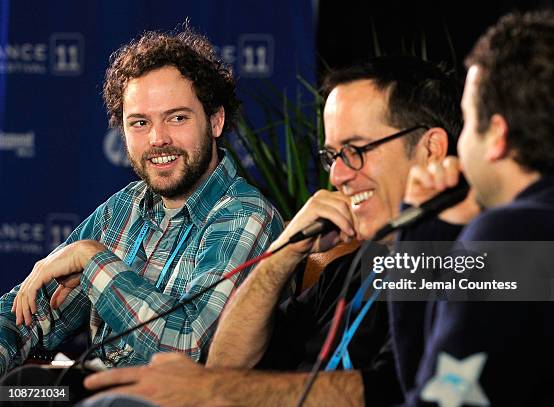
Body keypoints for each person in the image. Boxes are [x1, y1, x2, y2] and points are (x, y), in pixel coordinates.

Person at [82, 55, 464, 406]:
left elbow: (399, 389)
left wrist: (210, 389)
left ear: (431, 149)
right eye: (333, 156)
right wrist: (282, 252)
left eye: (356, 150)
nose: (338, 174)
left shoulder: (480, 260)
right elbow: (228, 362)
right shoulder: (350, 272)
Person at [0, 28, 284, 375]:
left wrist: (92, 260)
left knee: (29, 388)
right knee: (23, 390)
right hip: (90, 390)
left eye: (177, 118)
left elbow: (188, 351)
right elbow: (28, 316)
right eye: (140, 123)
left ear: (215, 120)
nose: (157, 138)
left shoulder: (245, 215)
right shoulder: (125, 208)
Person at [389, 11, 554, 406]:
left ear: (497, 135)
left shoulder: (511, 240)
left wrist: (419, 237)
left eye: (469, 119)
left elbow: (437, 397)